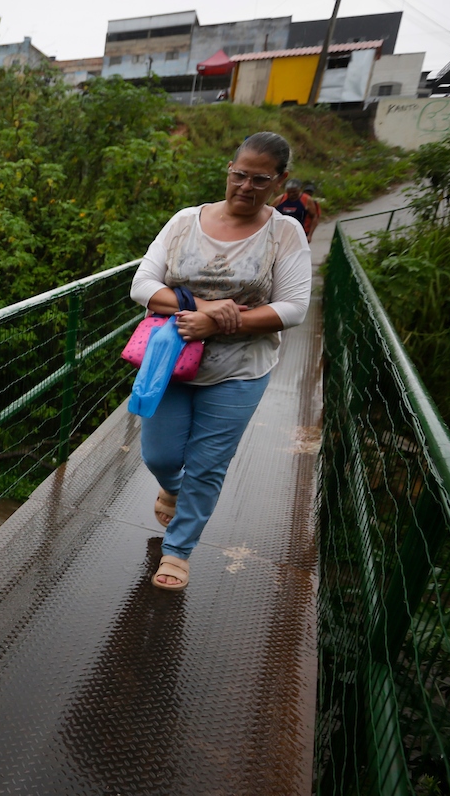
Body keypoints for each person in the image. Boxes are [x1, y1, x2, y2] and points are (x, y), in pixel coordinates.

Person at [129, 131, 311, 590]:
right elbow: (142, 285)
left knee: (208, 463)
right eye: (240, 175)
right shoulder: (184, 222)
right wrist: (207, 311)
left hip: (240, 370)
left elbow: (294, 308)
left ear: (280, 181)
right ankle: (171, 486)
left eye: (260, 180)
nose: (246, 187)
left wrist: (221, 326)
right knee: (161, 453)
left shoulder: (284, 232)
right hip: (171, 360)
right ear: (228, 170)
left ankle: (178, 551)